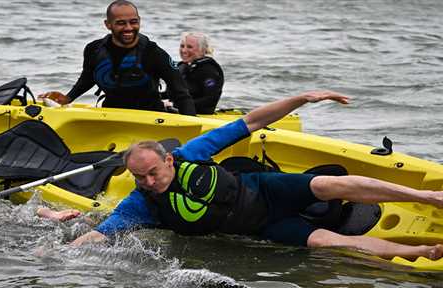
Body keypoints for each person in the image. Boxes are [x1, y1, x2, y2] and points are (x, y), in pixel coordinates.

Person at [45, 90, 443, 261]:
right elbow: (101, 234)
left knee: (326, 184)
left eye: (152, 173)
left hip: (265, 191)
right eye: (139, 178)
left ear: (167, 161)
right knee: (327, 242)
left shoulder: (192, 153)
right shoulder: (140, 206)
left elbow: (251, 122)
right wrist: (56, 253)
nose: (148, 182)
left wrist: (303, 98)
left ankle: (429, 198)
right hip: (262, 227)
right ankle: (422, 254)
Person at [39, 0, 196, 115]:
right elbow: (88, 78)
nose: (128, 28)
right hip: (111, 113)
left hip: (149, 115)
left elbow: (181, 93)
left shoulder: (153, 52)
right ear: (108, 24)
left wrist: (191, 128)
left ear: (139, 21)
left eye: (133, 22)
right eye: (121, 23)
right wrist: (68, 98)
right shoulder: (94, 49)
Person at [163, 32, 224, 114]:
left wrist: (176, 105)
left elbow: (210, 99)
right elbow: (170, 94)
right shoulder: (181, 67)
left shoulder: (209, 70)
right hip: (174, 110)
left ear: (202, 50)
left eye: (189, 47)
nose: (184, 50)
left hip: (199, 114)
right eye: (182, 46)